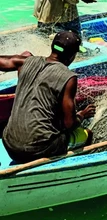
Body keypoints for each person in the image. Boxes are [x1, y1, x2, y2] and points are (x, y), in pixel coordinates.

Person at [0, 31, 95, 163]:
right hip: (38, 149)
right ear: (72, 55)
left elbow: (4, 61)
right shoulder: (69, 78)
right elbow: (70, 124)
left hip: (9, 144)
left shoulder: (26, 62)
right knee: (86, 134)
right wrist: (82, 115)